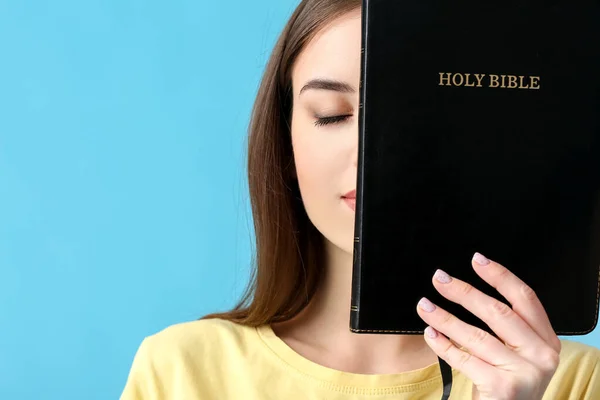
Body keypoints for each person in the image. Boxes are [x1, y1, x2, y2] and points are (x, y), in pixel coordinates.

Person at [119, 0, 600, 399]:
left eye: (409, 114)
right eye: (331, 115)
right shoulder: (182, 371)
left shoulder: (574, 380)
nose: (371, 153)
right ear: (285, 144)